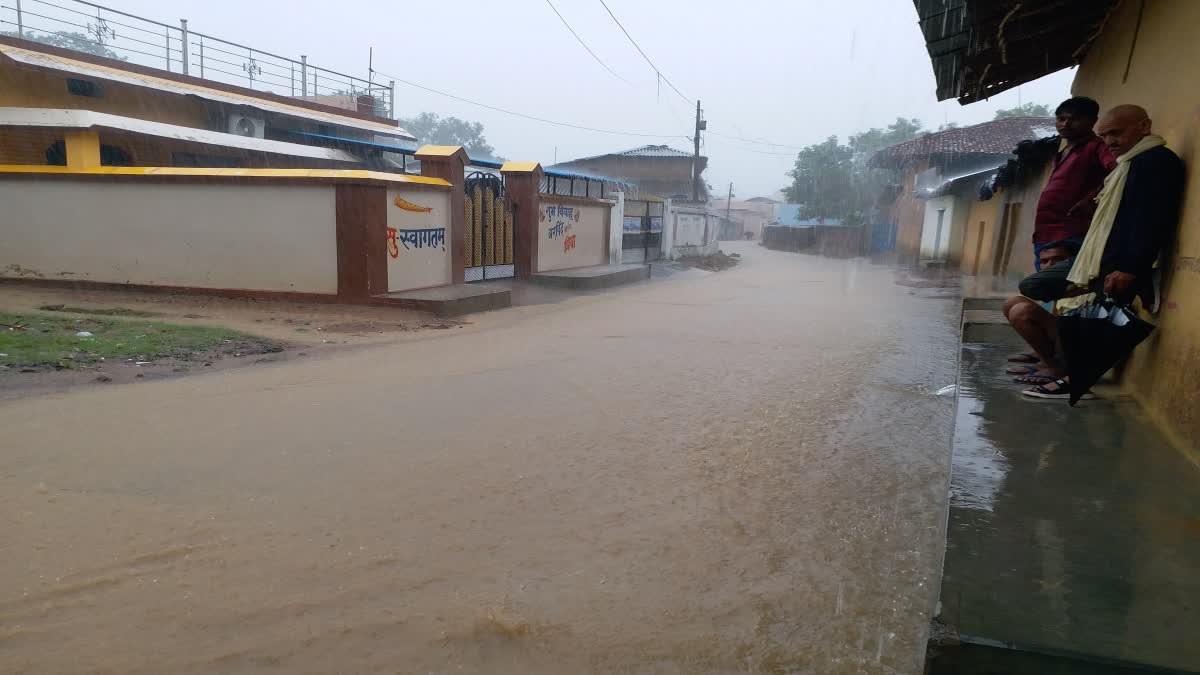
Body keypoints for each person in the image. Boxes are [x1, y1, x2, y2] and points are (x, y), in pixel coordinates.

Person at [1023, 104, 1186, 400]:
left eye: (1116, 133)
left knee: (1089, 317)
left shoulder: (1154, 161)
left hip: (1120, 262)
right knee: (1043, 290)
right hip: (1101, 259)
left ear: (1144, 126)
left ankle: (1074, 380)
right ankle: (1067, 368)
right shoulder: (1128, 164)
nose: (1110, 141)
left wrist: (1130, 267)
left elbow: (1151, 220)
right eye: (1104, 135)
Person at [1031, 97, 1116, 270]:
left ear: (1092, 121)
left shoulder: (1097, 147)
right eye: (1061, 119)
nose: (1065, 124)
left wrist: (1092, 198)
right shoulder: (1062, 153)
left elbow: (1119, 170)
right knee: (1044, 290)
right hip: (1044, 233)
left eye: (1074, 119)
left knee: (1064, 289)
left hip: (1071, 232)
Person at [1003, 240, 1081, 385]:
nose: (1050, 265)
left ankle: (1056, 368)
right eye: (1044, 261)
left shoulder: (1084, 281)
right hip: (1065, 338)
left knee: (1022, 311)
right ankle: (1045, 361)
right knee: (1012, 302)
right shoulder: (1054, 286)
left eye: (1059, 260)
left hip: (1084, 342)